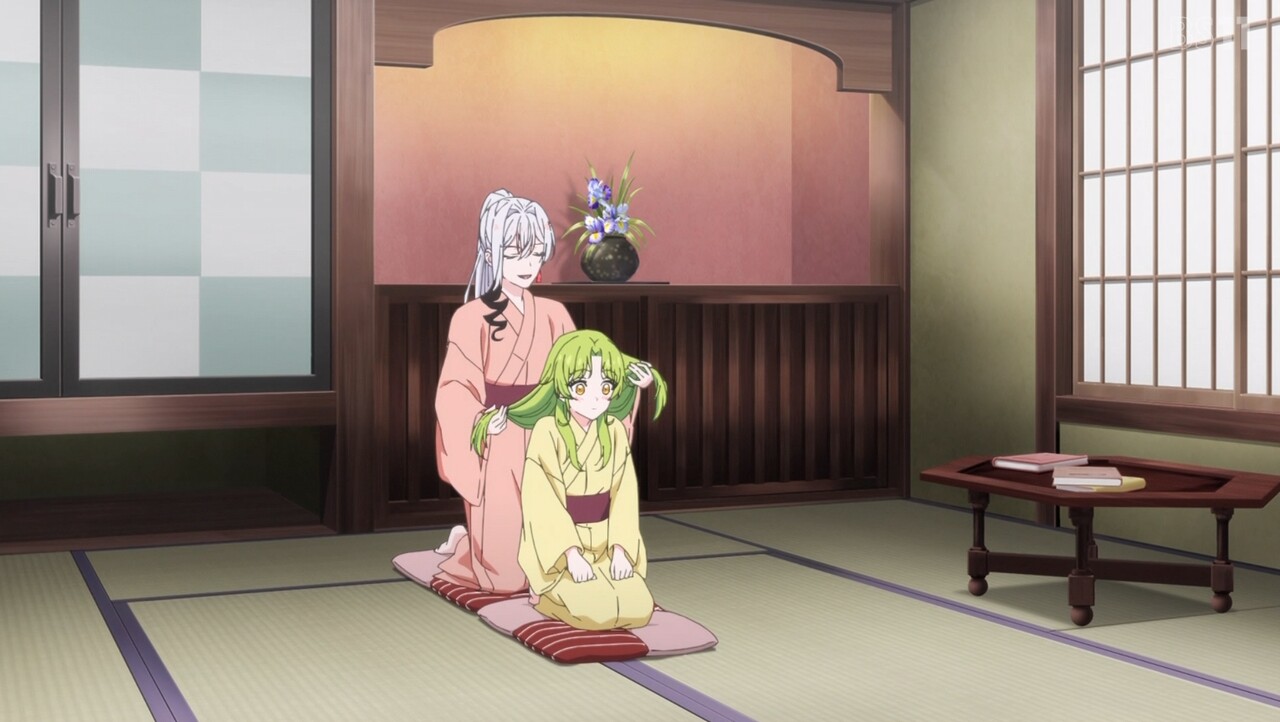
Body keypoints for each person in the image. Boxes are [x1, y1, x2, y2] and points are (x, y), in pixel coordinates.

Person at [432, 190, 652, 594]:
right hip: (499, 441)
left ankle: (479, 544)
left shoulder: (553, 314)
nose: (527, 264)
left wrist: (627, 382)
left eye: (535, 254)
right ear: (491, 252)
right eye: (514, 253)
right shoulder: (470, 318)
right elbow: (455, 389)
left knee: (559, 559)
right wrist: (481, 423)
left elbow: (581, 369)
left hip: (552, 434)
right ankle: (467, 545)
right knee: (505, 578)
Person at [471, 330, 667, 630]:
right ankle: (543, 595)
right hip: (559, 552)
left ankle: (591, 581)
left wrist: (621, 550)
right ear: (562, 389)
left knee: (638, 608)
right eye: (581, 387)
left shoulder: (614, 430)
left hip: (605, 542)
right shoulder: (547, 430)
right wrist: (571, 555)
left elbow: (624, 493)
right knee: (597, 613)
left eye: (605, 387)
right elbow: (541, 500)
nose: (595, 398)